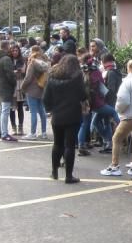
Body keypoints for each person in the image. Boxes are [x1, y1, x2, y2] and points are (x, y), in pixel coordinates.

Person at [44, 54, 88, 184]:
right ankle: (69, 176)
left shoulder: (52, 77)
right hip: (73, 115)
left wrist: (51, 109)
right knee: (69, 145)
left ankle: (54, 172)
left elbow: (46, 98)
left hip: (57, 115)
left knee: (57, 144)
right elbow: (82, 95)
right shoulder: (77, 77)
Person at [102, 58, 132, 177]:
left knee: (116, 138)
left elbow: (122, 100)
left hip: (128, 115)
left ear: (129, 68)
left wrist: (118, 110)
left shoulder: (127, 82)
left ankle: (115, 166)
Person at [21, 46, 49, 140]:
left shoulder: (32, 63)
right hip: (42, 88)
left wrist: (23, 87)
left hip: (32, 89)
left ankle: (32, 133)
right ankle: (44, 132)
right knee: (42, 111)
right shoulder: (45, 62)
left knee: (33, 112)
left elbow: (28, 78)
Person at [0, 41, 18, 142]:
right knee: (5, 110)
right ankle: (4, 134)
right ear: (7, 47)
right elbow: (10, 74)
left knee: (0, 109)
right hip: (5, 87)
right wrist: (14, 82)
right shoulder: (6, 59)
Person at [8, 44, 26, 136]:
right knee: (12, 108)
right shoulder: (8, 60)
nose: (15, 52)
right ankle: (13, 127)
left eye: (16, 50)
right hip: (11, 86)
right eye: (13, 50)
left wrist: (16, 71)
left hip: (20, 85)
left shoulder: (22, 60)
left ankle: (20, 127)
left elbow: (23, 71)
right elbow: (8, 72)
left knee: (20, 107)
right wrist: (15, 71)